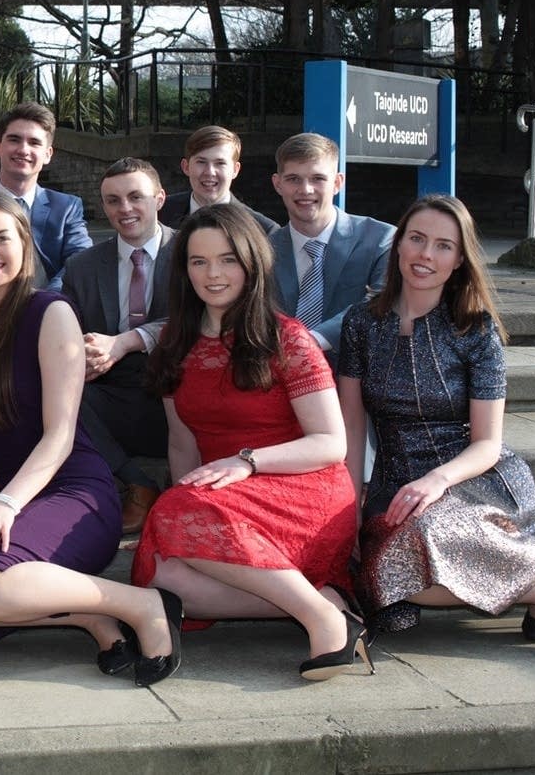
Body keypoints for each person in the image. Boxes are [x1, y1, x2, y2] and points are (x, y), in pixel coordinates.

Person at [0, 192, 183, 688]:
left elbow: (60, 435)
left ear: (24, 243)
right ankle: (91, 618)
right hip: (16, 501)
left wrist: (5, 506)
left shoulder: (51, 313)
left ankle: (146, 605)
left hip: (75, 495)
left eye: (2, 237)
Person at [339, 195, 535, 656]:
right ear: (398, 244)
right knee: (384, 590)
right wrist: (349, 512)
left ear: (460, 259)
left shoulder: (475, 328)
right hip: (394, 480)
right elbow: (352, 429)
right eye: (417, 239)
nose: (426, 255)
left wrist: (434, 482)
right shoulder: (362, 323)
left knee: (429, 534)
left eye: (444, 246)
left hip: (472, 475)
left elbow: (487, 443)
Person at [134, 204, 368, 681]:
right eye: (198, 262)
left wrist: (248, 462)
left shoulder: (289, 339)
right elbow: (183, 445)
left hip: (302, 487)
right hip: (222, 497)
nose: (212, 274)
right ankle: (321, 599)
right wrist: (191, 515)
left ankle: (323, 621)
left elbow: (330, 443)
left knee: (174, 520)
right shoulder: (173, 346)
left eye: (227, 259)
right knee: (162, 574)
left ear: (252, 263)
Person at [60, 158, 175, 534]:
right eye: (113, 201)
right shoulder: (82, 266)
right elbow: (68, 327)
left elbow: (203, 318)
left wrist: (128, 341)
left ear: (159, 198)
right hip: (111, 392)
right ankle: (136, 483)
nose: (124, 209)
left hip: (179, 386)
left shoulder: (194, 252)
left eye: (135, 197)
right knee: (51, 386)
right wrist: (80, 354)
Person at [268, 132, 394, 359]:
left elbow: (381, 300)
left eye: (318, 179)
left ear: (337, 183)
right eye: (293, 179)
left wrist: (311, 342)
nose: (305, 189)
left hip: (355, 382)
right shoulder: (262, 250)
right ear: (278, 184)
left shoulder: (380, 239)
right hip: (277, 379)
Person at [0, 102, 90, 290]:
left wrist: (44, 303)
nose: (23, 150)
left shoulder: (67, 208)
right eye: (14, 140)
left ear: (48, 154)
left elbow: (80, 260)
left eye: (34, 142)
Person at [159, 126, 279, 233]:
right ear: (186, 167)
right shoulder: (159, 212)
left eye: (220, 163)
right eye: (201, 162)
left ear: (235, 170)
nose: (210, 172)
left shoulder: (263, 230)